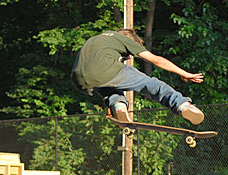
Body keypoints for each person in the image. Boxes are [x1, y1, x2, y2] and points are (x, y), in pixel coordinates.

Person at [71, 28, 205, 125]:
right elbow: (156, 60)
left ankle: (118, 106)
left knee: (110, 88)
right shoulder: (123, 39)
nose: (129, 57)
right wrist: (185, 74)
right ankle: (182, 105)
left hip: (79, 80)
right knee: (150, 83)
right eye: (129, 54)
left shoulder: (96, 39)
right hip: (105, 70)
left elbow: (94, 71)